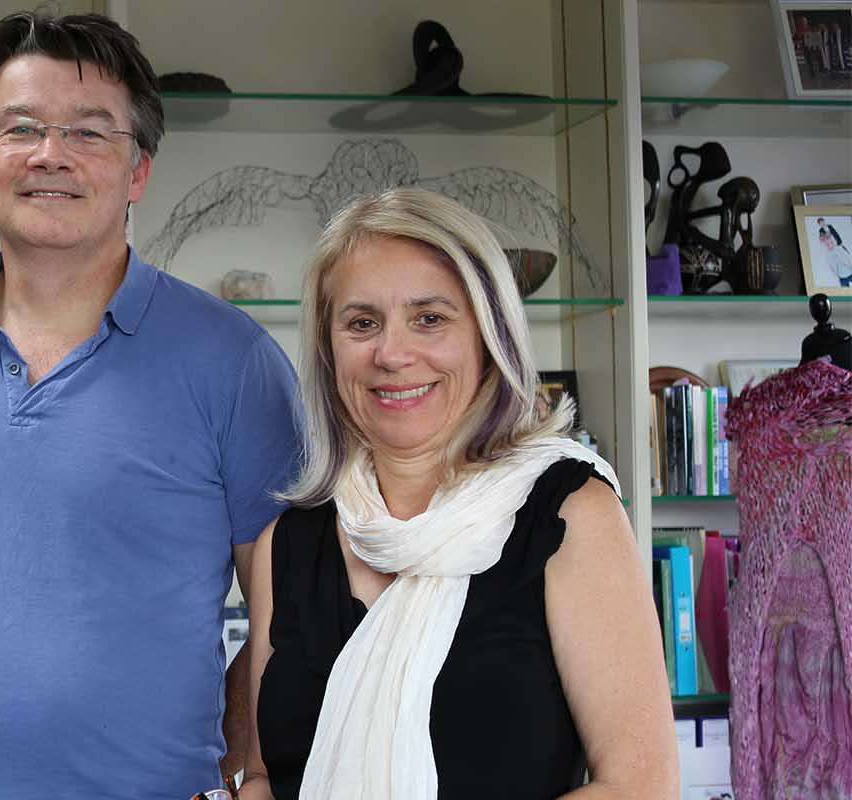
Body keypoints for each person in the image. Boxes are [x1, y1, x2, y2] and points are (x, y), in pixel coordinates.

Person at [0, 11, 302, 798]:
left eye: (90, 133)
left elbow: (286, 619)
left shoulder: (236, 361)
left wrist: (249, 765)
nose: (50, 155)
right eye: (20, 128)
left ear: (138, 172)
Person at [241, 188, 677, 799]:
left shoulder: (569, 514)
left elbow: (639, 787)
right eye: (362, 323)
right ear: (327, 348)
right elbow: (264, 776)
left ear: (488, 335)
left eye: (430, 318)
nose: (392, 354)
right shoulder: (283, 545)